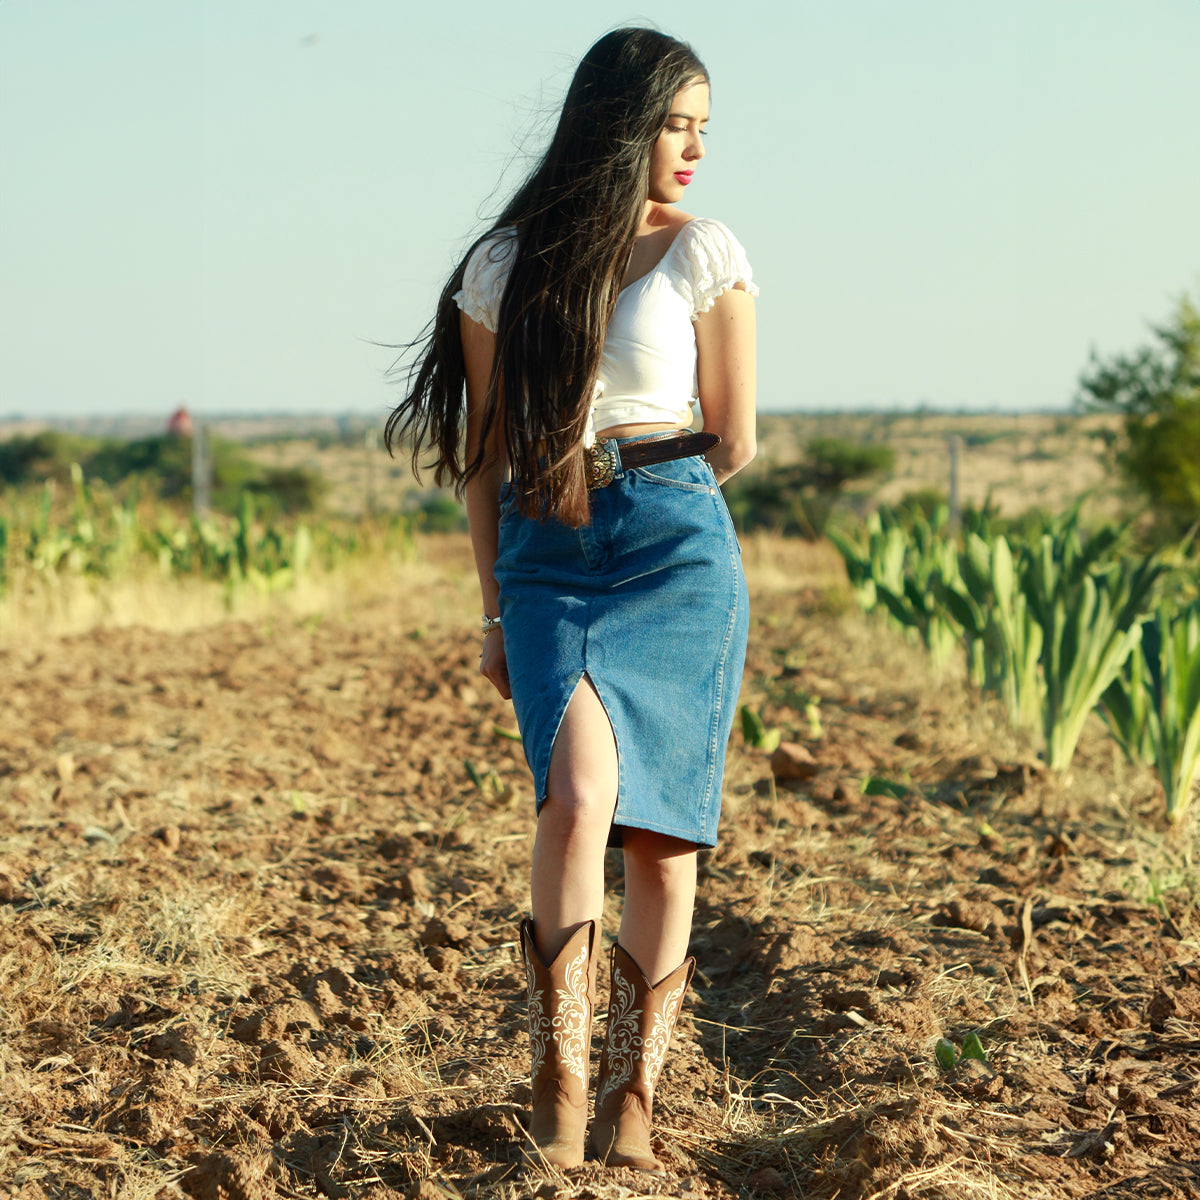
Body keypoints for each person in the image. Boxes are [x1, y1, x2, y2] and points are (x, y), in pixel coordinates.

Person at [386, 27, 757, 1173]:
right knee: (578, 793)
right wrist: (493, 613)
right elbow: (485, 457)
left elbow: (735, 438)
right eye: (675, 123)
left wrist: (625, 462)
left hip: (675, 548)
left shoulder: (704, 253)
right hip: (549, 556)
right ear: (620, 120)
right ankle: (560, 1067)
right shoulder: (506, 265)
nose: (693, 148)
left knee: (662, 837)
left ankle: (637, 1097)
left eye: (703, 128)